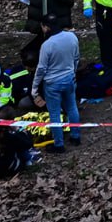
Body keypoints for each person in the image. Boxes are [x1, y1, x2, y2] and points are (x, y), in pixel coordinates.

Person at [31, 14, 81, 151]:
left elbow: (41, 69)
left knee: (54, 113)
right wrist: (73, 72)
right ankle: (76, 136)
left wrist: (34, 88)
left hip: (52, 84)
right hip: (69, 78)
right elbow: (76, 58)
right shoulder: (72, 37)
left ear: (46, 27)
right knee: (72, 107)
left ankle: (59, 144)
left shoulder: (47, 45)